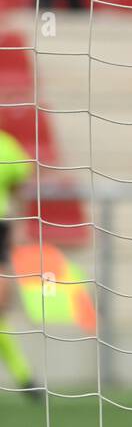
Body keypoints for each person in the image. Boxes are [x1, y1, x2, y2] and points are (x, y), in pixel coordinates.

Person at [0, 130, 38, 397]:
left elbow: (19, 187)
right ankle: (25, 379)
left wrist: (19, 227)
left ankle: (25, 379)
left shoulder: (6, 146)